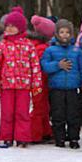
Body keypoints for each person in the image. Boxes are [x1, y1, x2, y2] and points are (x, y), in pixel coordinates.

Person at [0, 7, 42, 147]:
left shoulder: (28, 45)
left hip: (24, 85)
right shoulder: (2, 45)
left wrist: (36, 84)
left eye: (13, 26)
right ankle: (7, 137)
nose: (10, 28)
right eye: (8, 26)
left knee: (22, 112)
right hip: (7, 85)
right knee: (7, 112)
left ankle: (22, 137)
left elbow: (35, 65)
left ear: (20, 28)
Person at [41, 19, 82, 149]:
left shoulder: (77, 51)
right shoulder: (50, 50)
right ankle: (59, 138)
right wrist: (58, 65)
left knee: (73, 114)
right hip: (57, 88)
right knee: (58, 114)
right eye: (61, 32)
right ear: (57, 33)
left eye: (67, 32)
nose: (65, 35)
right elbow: (44, 66)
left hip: (73, 88)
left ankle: (73, 138)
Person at [28, 15, 56, 144]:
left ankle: (45, 131)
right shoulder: (41, 48)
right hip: (39, 82)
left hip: (42, 82)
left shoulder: (38, 45)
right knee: (39, 107)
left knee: (44, 107)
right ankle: (35, 134)